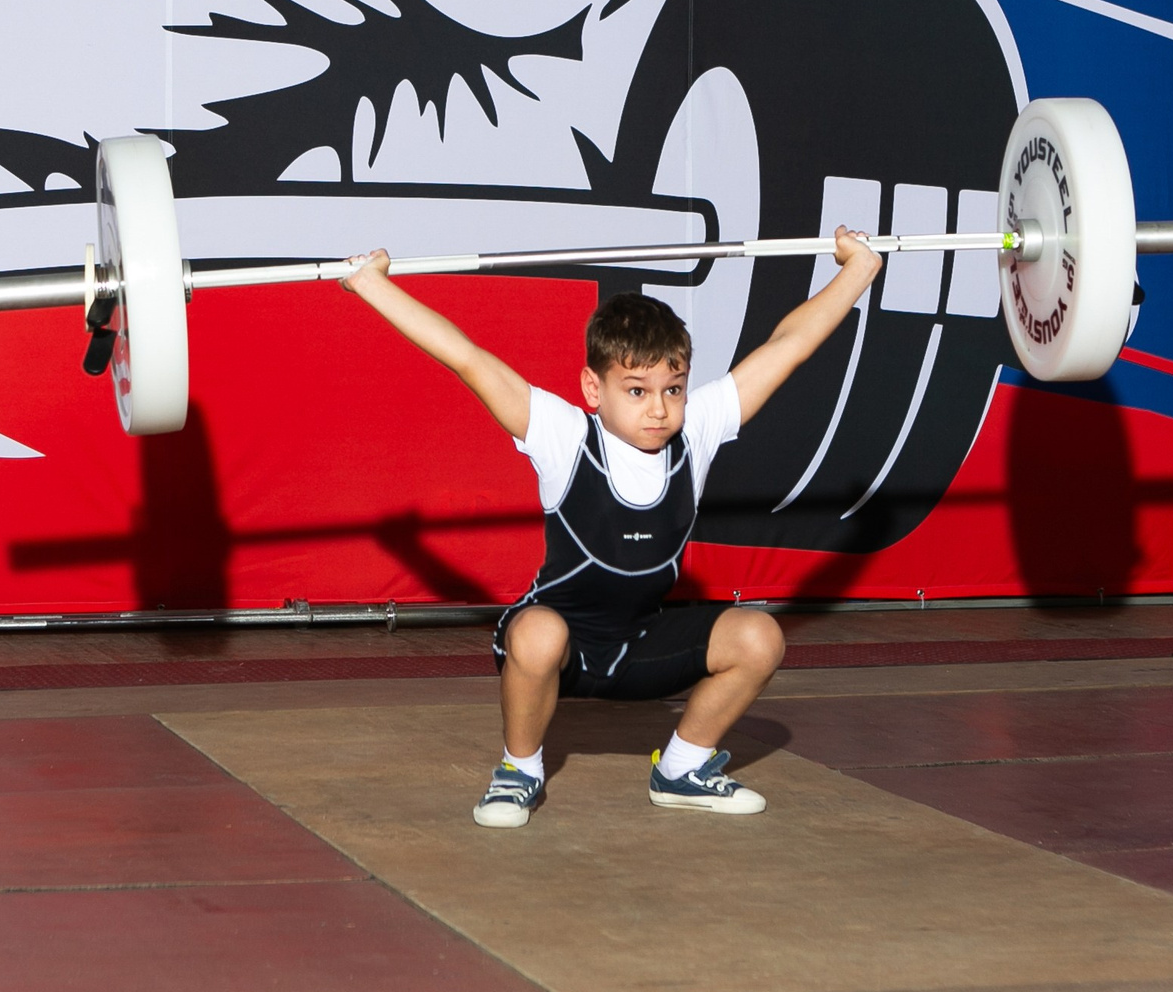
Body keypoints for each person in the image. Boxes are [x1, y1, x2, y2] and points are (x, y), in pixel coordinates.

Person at [342, 229, 885, 827]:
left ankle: (682, 768)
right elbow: (468, 359)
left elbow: (791, 345)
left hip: (641, 644)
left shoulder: (695, 432)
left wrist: (858, 269)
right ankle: (518, 771)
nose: (659, 408)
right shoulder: (565, 435)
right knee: (539, 633)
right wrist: (372, 285)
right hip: (562, 645)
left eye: (672, 389)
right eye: (637, 390)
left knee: (760, 637)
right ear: (593, 389)